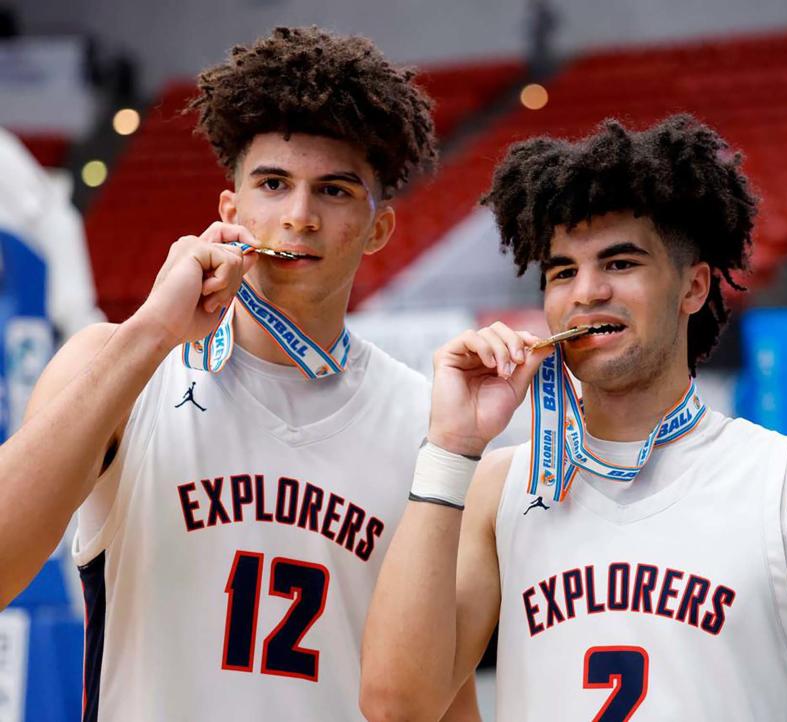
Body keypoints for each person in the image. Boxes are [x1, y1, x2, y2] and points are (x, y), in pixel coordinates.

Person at [0, 25, 474, 721]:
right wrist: (153, 333)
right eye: (273, 184)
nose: (299, 216)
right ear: (231, 210)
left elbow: (441, 696)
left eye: (336, 191)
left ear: (378, 228)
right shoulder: (116, 367)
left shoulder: (428, 426)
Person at [361, 116, 787, 721]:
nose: (586, 291)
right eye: (562, 271)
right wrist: (451, 448)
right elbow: (395, 709)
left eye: (620, 264)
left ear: (692, 288)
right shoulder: (495, 488)